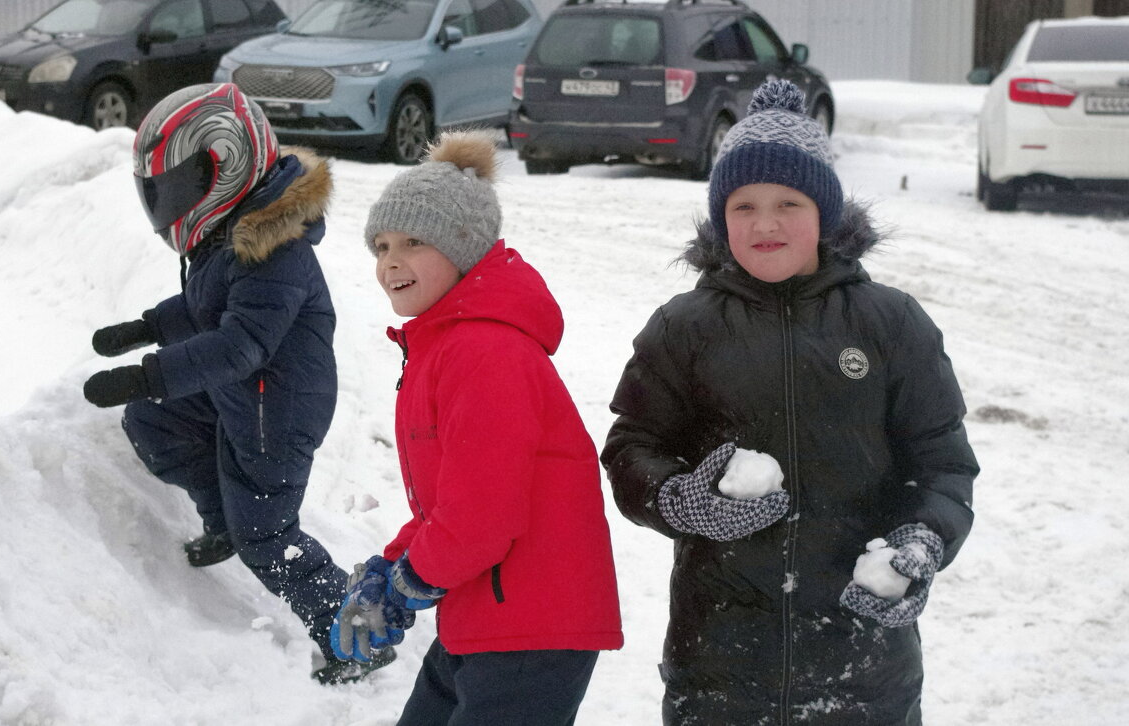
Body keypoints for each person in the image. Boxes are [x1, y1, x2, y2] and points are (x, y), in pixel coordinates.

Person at [601, 80, 979, 725]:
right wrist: (675, 496)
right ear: (721, 217)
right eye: (743, 205)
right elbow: (632, 446)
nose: (765, 223)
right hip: (719, 664)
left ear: (826, 213)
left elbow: (942, 464)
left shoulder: (891, 323)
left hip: (863, 663)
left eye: (788, 202)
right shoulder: (685, 326)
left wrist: (922, 540)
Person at [81, 82, 387, 685]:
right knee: (153, 421)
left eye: (172, 190)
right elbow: (206, 306)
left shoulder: (277, 251)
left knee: (268, 537)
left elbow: (240, 343)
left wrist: (151, 372)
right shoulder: (235, 234)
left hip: (279, 414)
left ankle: (358, 637)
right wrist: (145, 328)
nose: (164, 206)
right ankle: (222, 517)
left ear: (221, 168)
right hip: (245, 393)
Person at [331, 130, 623, 725]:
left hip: (530, 623)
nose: (391, 261)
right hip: (486, 608)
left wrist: (411, 579)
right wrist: (391, 566)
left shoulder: (485, 352)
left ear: (463, 249)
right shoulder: (443, 347)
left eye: (415, 242)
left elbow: (482, 515)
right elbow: (453, 500)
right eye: (381, 245)